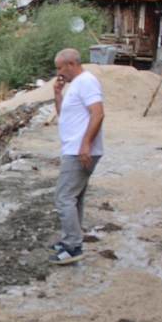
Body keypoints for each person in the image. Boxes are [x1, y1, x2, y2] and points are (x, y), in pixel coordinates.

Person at [49, 47, 104, 264]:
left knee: (63, 198)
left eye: (60, 68)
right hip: (73, 149)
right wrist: (57, 94)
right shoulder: (75, 85)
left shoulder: (87, 82)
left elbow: (98, 113)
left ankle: (73, 246)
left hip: (79, 151)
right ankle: (70, 240)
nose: (59, 73)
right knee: (74, 198)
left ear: (71, 64)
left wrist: (85, 144)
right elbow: (65, 115)